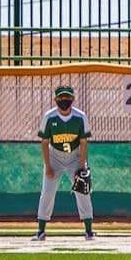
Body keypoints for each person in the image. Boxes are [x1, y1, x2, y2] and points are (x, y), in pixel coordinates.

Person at [35, 83, 95, 240]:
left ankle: (89, 230)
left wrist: (81, 167)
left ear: (73, 99)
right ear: (55, 99)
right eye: (61, 97)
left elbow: (83, 143)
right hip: (55, 156)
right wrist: (48, 166)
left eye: (67, 97)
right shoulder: (49, 117)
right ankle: (41, 230)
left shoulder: (80, 117)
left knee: (83, 191)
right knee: (47, 192)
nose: (64, 100)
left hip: (75, 157)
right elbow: (44, 142)